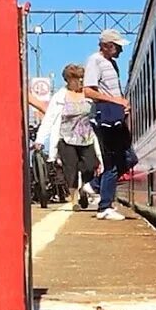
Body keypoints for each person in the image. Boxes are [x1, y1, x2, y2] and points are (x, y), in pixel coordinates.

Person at [35, 63, 100, 209]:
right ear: (68, 80)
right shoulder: (59, 97)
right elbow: (49, 119)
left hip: (87, 138)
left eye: (82, 78)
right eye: (77, 79)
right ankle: (74, 201)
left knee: (89, 167)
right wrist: (40, 139)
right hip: (66, 139)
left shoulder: (89, 94)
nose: (81, 81)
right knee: (70, 171)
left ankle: (84, 190)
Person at [83, 28, 132, 221]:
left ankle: (94, 186)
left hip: (114, 116)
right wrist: (116, 101)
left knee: (129, 158)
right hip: (104, 118)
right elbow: (88, 91)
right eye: (116, 46)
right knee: (112, 162)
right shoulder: (95, 61)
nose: (120, 50)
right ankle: (104, 207)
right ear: (105, 46)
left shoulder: (110, 63)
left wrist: (121, 104)